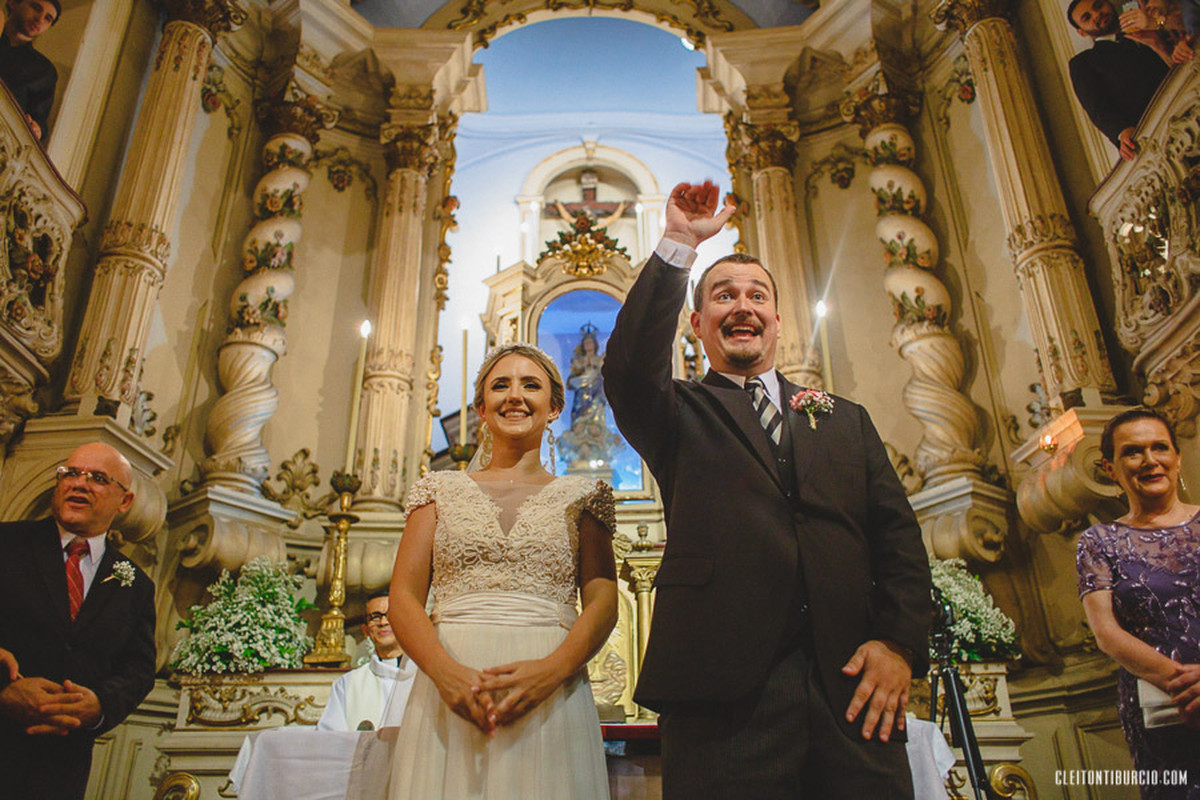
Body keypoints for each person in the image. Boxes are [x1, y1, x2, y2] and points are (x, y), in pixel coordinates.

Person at [603, 181, 932, 798]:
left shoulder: (844, 419)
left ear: (779, 321)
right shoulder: (677, 413)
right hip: (723, 697)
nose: (743, 307)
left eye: (757, 296)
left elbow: (898, 539)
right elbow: (624, 369)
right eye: (724, 296)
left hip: (852, 687)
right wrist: (679, 244)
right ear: (697, 324)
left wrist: (898, 642)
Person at [385, 343, 618, 798]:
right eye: (500, 385)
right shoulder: (438, 489)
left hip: (550, 686)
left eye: (530, 385)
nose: (515, 395)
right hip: (450, 680)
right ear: (481, 409)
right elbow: (404, 597)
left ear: (554, 408)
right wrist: (445, 673)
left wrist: (552, 671)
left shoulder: (585, 495)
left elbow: (603, 599)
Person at [0, 442, 156, 800]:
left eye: (98, 478)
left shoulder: (134, 582)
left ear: (125, 501)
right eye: (71, 473)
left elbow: (139, 668)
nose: (79, 484)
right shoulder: (7, 544)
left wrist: (100, 705)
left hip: (60, 769)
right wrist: (2, 690)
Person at [1076, 408, 1200, 798]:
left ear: (1177, 458)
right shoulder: (1098, 541)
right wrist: (1188, 690)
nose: (1149, 460)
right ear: (1110, 468)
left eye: (1160, 447)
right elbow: (1107, 633)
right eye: (1133, 452)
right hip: (1160, 712)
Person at [1067, 0, 1171, 161]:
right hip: (1157, 133)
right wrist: (1122, 132)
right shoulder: (1083, 63)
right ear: (1082, 32)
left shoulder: (1149, 24)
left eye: (1098, 6)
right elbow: (1098, 107)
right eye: (1087, 17)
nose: (1097, 14)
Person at [317, 590, 418, 732]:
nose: (383, 622)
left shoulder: (425, 677)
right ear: (366, 630)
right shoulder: (348, 684)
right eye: (375, 617)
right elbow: (331, 739)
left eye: (390, 615)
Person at [0, 0, 59, 141]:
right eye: (36, 8)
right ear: (13, 3)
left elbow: (39, 121)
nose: (40, 19)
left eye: (48, 18)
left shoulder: (45, 71)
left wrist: (37, 128)